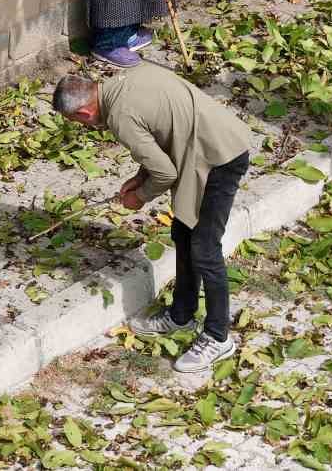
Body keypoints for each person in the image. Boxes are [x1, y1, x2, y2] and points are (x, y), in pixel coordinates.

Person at [52, 63, 256, 373]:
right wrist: (139, 176)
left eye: (78, 123)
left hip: (218, 159)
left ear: (83, 114)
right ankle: (181, 315)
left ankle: (218, 337)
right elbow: (162, 131)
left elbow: (165, 172)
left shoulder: (120, 118)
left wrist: (140, 196)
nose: (84, 126)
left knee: (204, 248)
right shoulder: (129, 77)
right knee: (183, 234)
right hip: (207, 147)